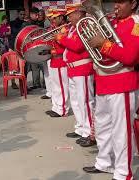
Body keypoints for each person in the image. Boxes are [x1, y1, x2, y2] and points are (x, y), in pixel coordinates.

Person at [83, 0, 139, 179]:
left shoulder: (136, 24)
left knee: (122, 131)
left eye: (121, 2)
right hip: (104, 82)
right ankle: (104, 162)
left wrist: (103, 44)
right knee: (102, 127)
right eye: (115, 2)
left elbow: (130, 57)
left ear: (133, 3)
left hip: (122, 83)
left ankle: (123, 173)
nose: (116, 6)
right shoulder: (112, 22)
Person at [55, 3, 95, 147]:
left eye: (70, 14)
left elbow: (78, 46)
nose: (68, 17)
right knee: (76, 102)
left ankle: (90, 133)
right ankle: (81, 128)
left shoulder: (84, 26)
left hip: (82, 68)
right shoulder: (72, 28)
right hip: (73, 69)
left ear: (79, 13)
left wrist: (61, 39)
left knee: (86, 102)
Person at [45, 9, 70, 117]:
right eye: (52, 18)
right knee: (55, 86)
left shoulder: (65, 29)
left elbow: (66, 46)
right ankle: (56, 107)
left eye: (55, 18)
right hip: (54, 60)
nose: (52, 20)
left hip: (60, 60)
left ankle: (62, 109)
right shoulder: (55, 28)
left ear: (61, 17)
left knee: (62, 87)